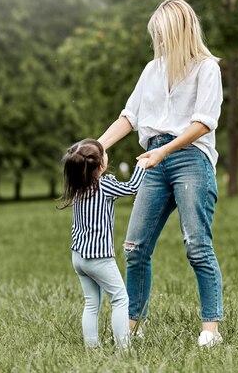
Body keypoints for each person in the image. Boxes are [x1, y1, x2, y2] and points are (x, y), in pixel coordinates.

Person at [97, 0, 224, 347]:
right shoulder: (152, 70)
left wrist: (162, 152)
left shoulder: (206, 69)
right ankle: (134, 325)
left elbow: (202, 124)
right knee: (135, 247)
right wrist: (98, 147)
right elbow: (130, 116)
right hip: (153, 160)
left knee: (197, 245)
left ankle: (210, 329)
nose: (159, 43)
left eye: (163, 35)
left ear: (180, 31)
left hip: (190, 160)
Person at [60, 138, 148, 349]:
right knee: (120, 300)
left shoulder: (77, 188)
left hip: (78, 257)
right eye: (104, 152)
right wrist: (142, 166)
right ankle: (123, 349)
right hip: (99, 258)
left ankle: (91, 348)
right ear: (101, 164)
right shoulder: (105, 185)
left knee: (91, 303)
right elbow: (133, 187)